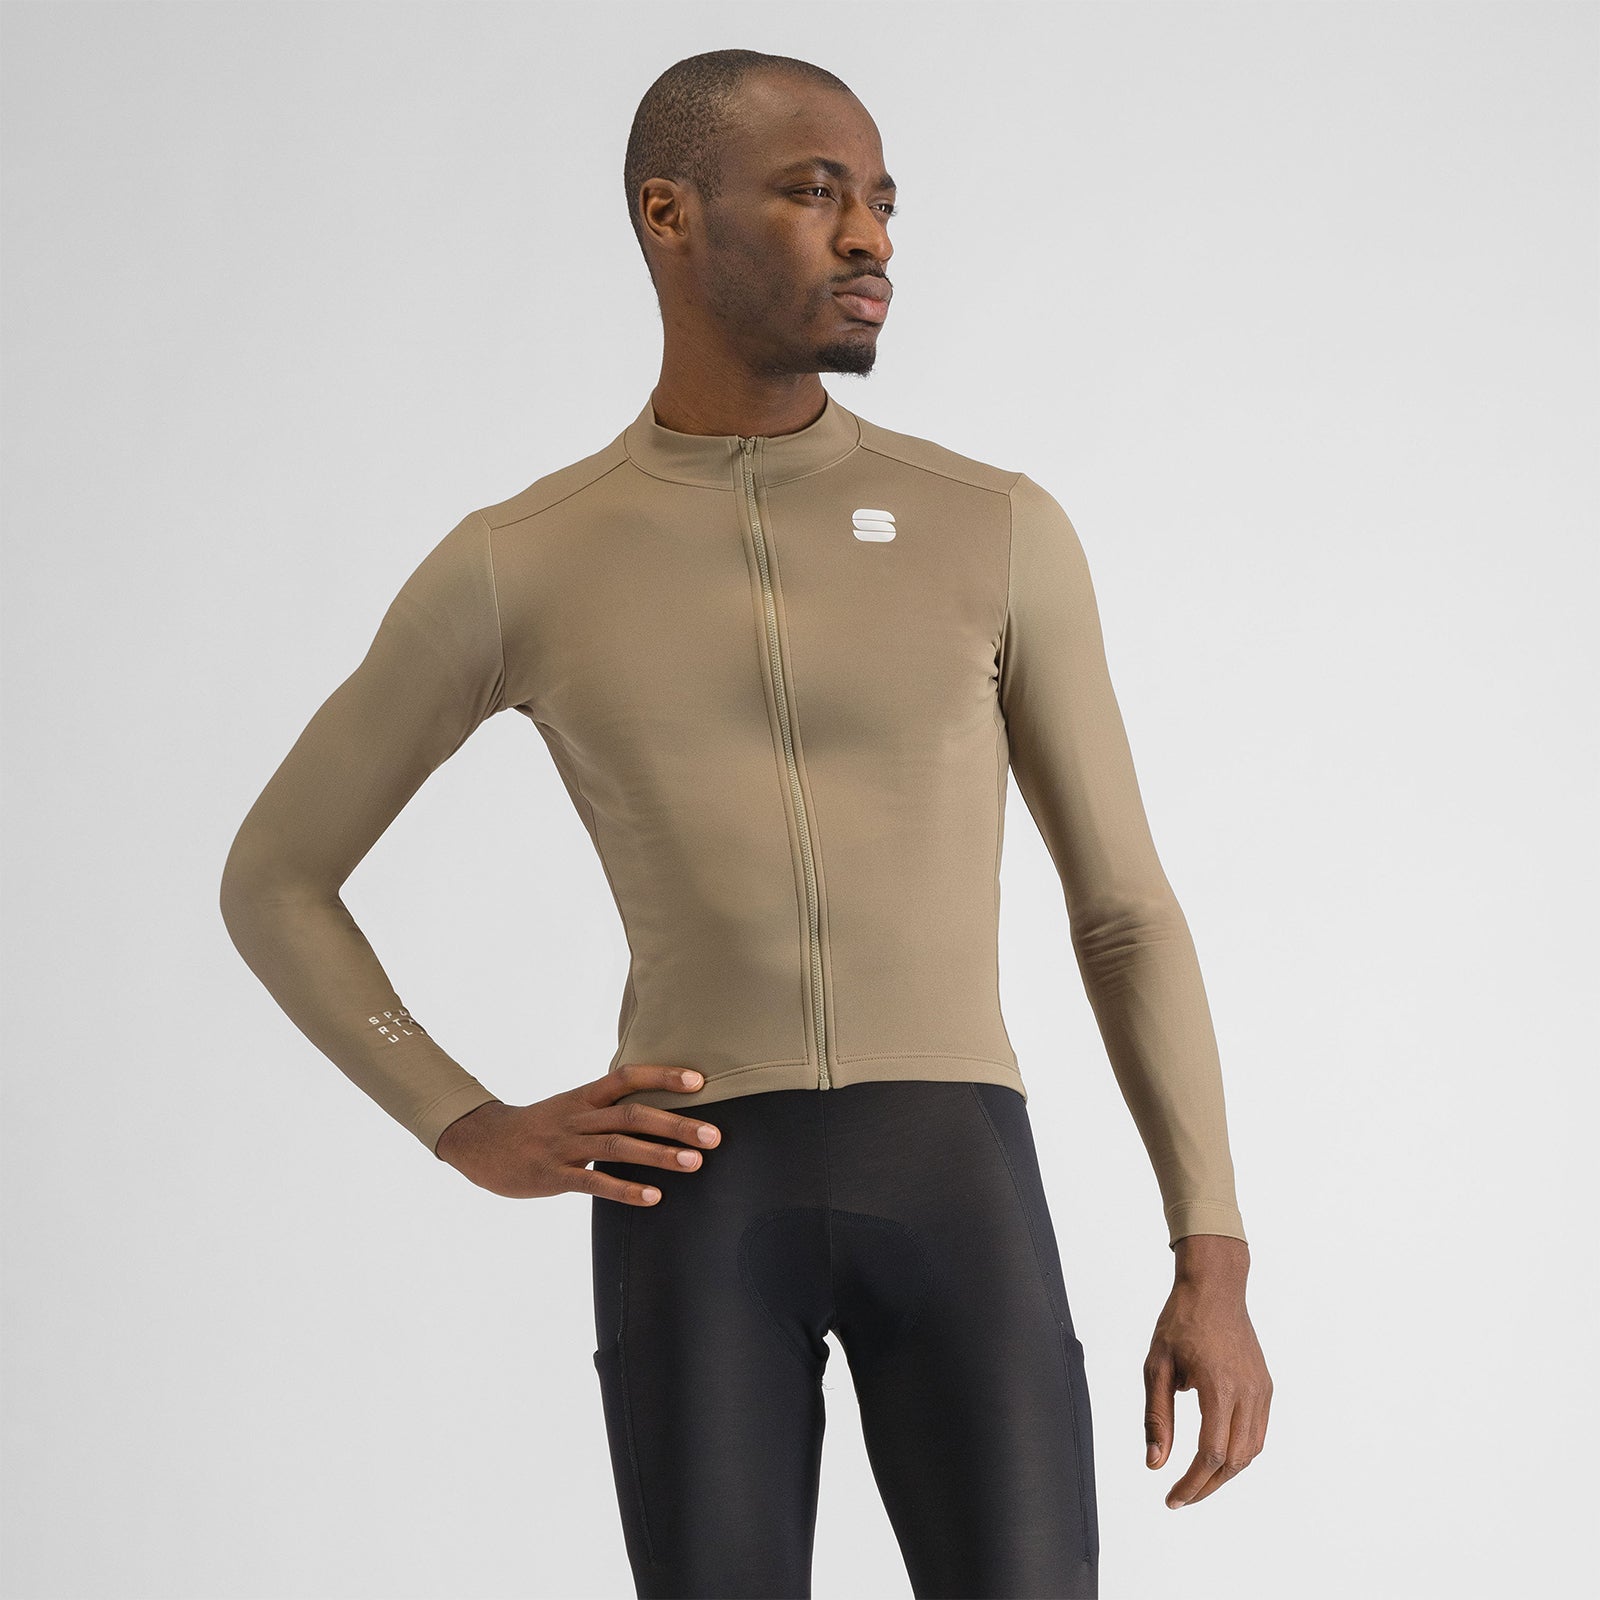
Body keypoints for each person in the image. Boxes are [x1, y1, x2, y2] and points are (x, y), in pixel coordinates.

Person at [219, 46, 1272, 1600]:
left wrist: (1212, 1253)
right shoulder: (525, 559)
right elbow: (277, 877)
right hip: (696, 1198)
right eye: (813, 193)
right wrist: (463, 1120)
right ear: (670, 214)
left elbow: (1120, 911)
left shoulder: (993, 526)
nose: (871, 238)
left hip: (956, 1176)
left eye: (884, 202)